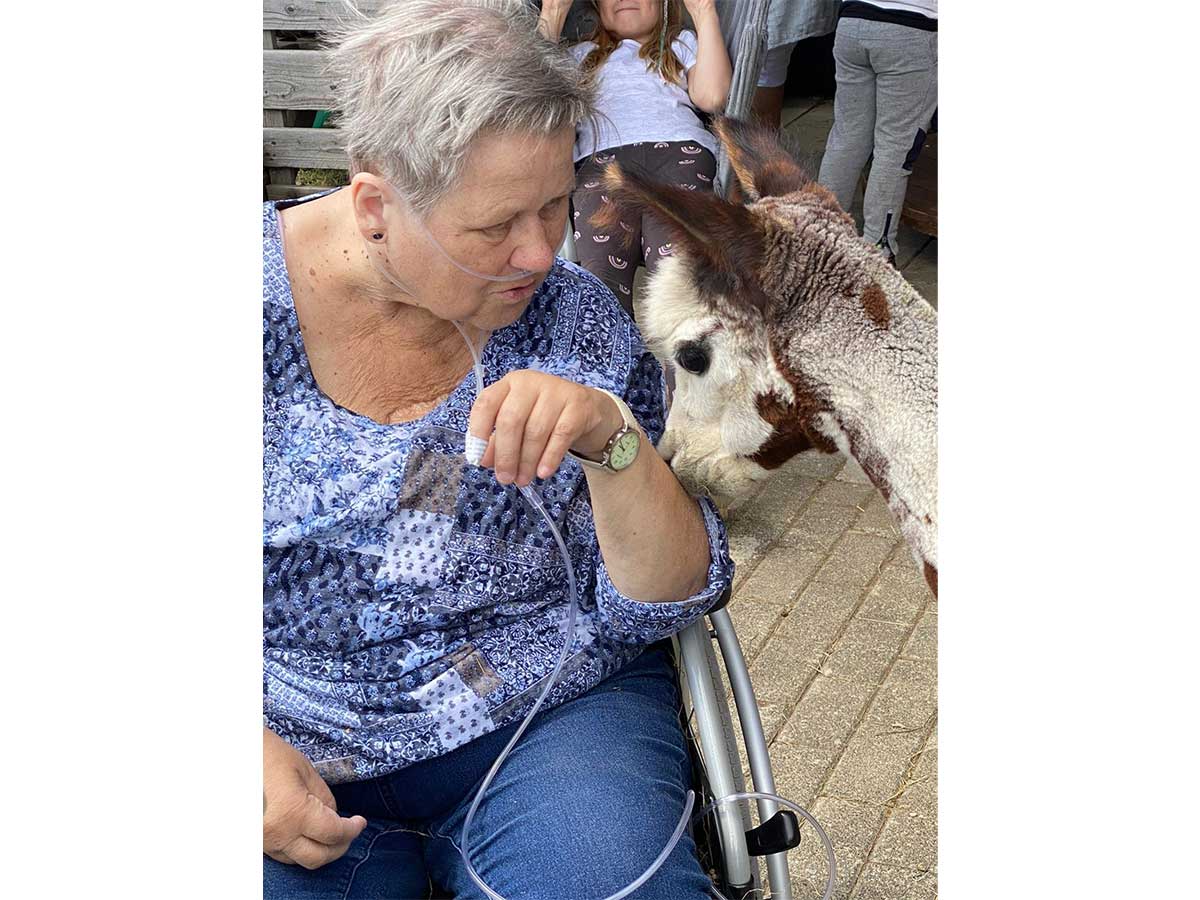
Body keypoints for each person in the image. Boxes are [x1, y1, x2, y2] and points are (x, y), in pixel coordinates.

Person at [262, 2, 733, 898]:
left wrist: (610, 437)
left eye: (557, 203)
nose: (540, 251)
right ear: (374, 206)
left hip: (546, 714)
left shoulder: (575, 316)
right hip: (285, 739)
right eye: (494, 227)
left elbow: (667, 597)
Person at [538, 0, 731, 316]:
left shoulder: (680, 44)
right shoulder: (577, 55)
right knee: (602, 277)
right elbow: (538, 100)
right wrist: (554, 13)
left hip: (679, 152)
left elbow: (711, 96)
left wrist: (704, 11)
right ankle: (615, 360)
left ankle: (679, 364)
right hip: (602, 161)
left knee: (679, 273)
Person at [816, 0, 938, 264]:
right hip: (912, 30)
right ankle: (878, 249)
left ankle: (822, 237)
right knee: (894, 149)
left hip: (853, 23)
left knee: (847, 138)